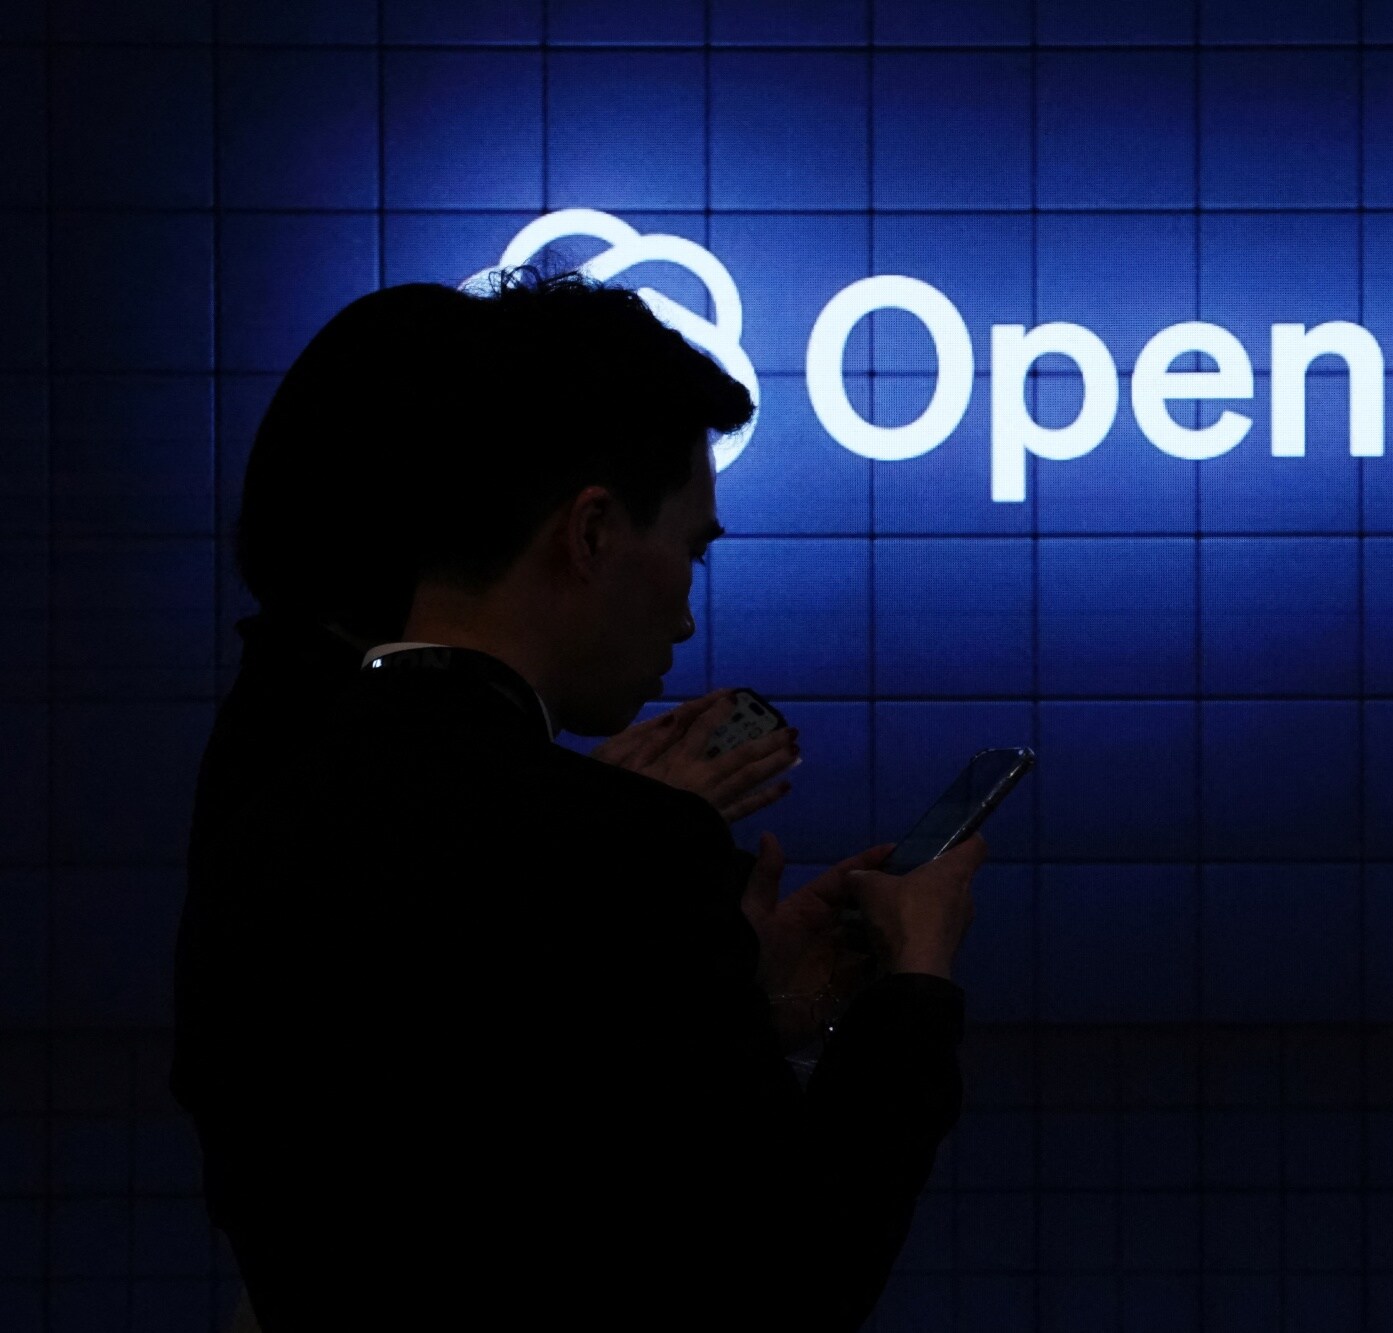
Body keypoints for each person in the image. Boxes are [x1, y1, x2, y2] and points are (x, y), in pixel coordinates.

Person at [173, 269, 984, 1330]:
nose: (687, 618)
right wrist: (911, 994)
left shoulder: (268, 813)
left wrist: (721, 992)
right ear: (591, 533)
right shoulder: (628, 853)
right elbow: (787, 1284)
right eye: (690, 551)